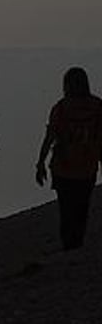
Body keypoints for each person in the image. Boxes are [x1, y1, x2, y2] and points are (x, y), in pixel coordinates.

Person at [36, 67, 102, 251]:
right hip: (88, 166)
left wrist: (40, 163)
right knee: (82, 208)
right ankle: (77, 243)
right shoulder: (97, 106)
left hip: (63, 167)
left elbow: (50, 136)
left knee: (66, 209)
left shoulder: (62, 107)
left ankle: (69, 245)